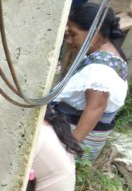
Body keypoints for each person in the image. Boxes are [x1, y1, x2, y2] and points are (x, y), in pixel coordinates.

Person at [53, 3, 128, 162]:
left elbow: (95, 108)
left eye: (73, 34)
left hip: (75, 140)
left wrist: (68, 148)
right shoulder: (109, 54)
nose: (68, 40)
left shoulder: (100, 70)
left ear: (94, 34)